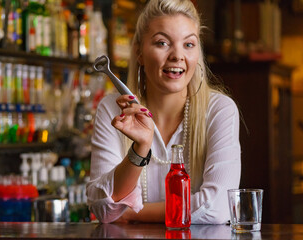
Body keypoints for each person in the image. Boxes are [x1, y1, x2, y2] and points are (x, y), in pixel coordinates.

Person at [86, 0, 241, 224]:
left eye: (188, 44)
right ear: (139, 52)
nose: (177, 56)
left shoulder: (220, 110)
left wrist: (131, 212)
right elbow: (104, 208)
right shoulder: (112, 109)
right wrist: (139, 150)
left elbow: (217, 208)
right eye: (162, 43)